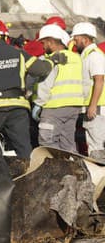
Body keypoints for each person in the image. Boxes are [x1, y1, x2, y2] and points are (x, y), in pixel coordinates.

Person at [0, 20, 45, 160]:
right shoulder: (20, 54)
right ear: (6, 37)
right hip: (18, 108)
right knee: (23, 147)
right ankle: (28, 175)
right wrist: (53, 60)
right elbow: (42, 69)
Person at [33, 24, 85, 153]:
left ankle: (55, 172)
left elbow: (45, 84)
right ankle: (73, 171)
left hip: (53, 108)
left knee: (48, 144)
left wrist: (38, 104)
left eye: (43, 43)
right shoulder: (78, 58)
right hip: (74, 108)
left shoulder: (53, 60)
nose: (43, 47)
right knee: (67, 143)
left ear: (51, 42)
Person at [72, 23, 105, 160]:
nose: (74, 42)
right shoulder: (87, 55)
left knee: (96, 146)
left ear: (85, 39)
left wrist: (92, 105)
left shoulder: (94, 55)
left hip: (97, 107)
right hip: (94, 106)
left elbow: (99, 80)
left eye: (76, 39)